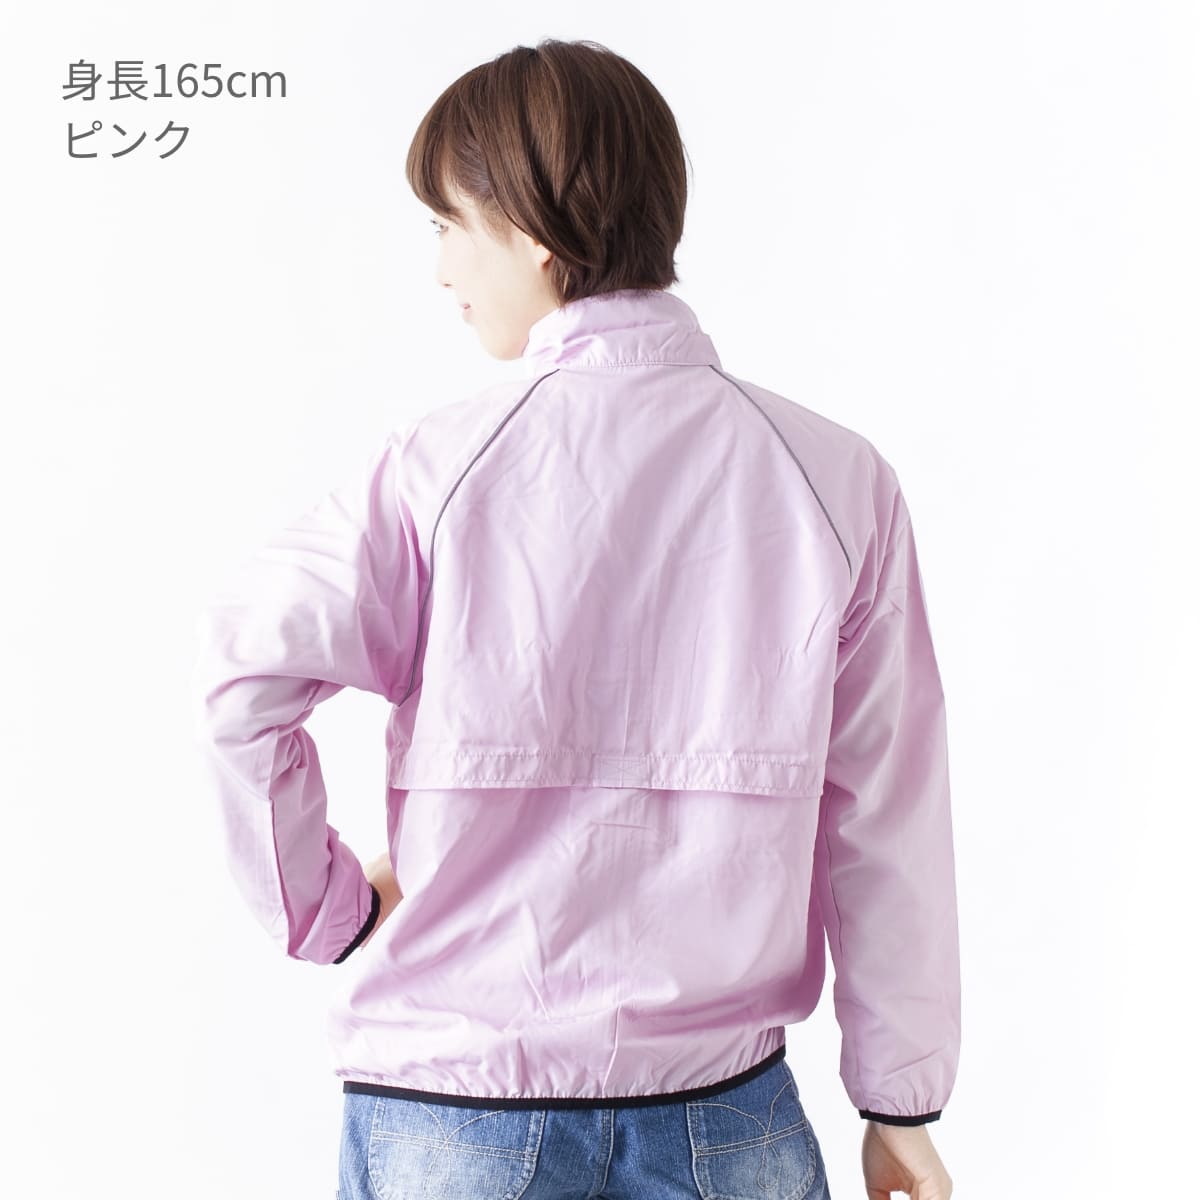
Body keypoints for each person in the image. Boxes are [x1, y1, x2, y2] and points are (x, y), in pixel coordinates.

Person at [191, 38, 959, 1200]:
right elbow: (888, 808)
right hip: (725, 1117)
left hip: (453, 1113)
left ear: (535, 234)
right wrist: (900, 1101)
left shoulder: (435, 472)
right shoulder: (835, 478)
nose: (440, 268)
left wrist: (327, 913)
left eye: (450, 225)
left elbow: (243, 676)